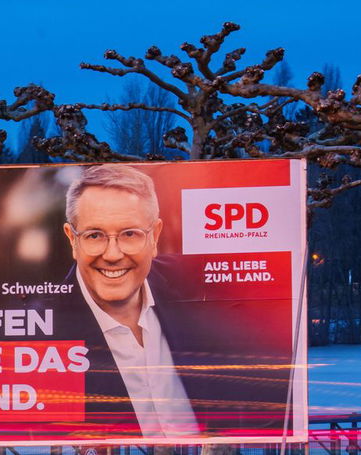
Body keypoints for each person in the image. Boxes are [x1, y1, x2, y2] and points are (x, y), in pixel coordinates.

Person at [56, 164, 284, 440]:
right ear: (72, 239)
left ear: (154, 237)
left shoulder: (201, 285)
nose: (113, 254)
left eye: (130, 234)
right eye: (94, 235)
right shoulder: (41, 326)